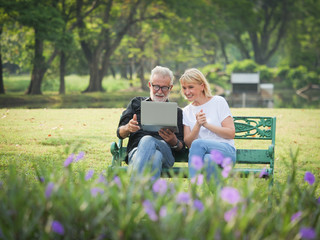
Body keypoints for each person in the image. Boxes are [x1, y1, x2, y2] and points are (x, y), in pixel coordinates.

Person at [117, 66, 184, 179]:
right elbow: (120, 133)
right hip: (137, 153)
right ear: (150, 85)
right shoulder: (136, 103)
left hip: (165, 153)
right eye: (156, 86)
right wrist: (128, 128)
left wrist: (174, 141)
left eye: (164, 88)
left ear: (170, 88)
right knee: (155, 158)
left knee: (148, 140)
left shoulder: (176, 112)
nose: (159, 91)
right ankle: (147, 196)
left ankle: (133, 193)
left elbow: (181, 147)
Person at [179, 68, 236, 180]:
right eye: (184, 88)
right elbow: (189, 143)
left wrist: (206, 125)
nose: (187, 92)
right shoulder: (186, 111)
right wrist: (197, 125)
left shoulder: (218, 102)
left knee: (198, 144)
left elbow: (230, 133)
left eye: (191, 87)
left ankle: (192, 190)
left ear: (202, 86)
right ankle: (218, 196)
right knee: (208, 160)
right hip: (207, 157)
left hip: (226, 152)